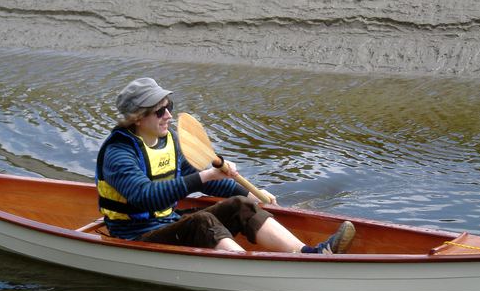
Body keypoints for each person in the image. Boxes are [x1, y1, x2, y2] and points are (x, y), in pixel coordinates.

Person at [96, 77, 355, 253]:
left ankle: (308, 254)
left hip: (167, 224)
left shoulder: (169, 141)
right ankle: (255, 270)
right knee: (201, 221)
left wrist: (247, 193)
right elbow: (146, 198)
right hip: (134, 238)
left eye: (169, 107)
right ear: (138, 118)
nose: (169, 115)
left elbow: (194, 176)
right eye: (160, 111)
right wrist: (206, 176)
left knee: (240, 205)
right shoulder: (118, 153)